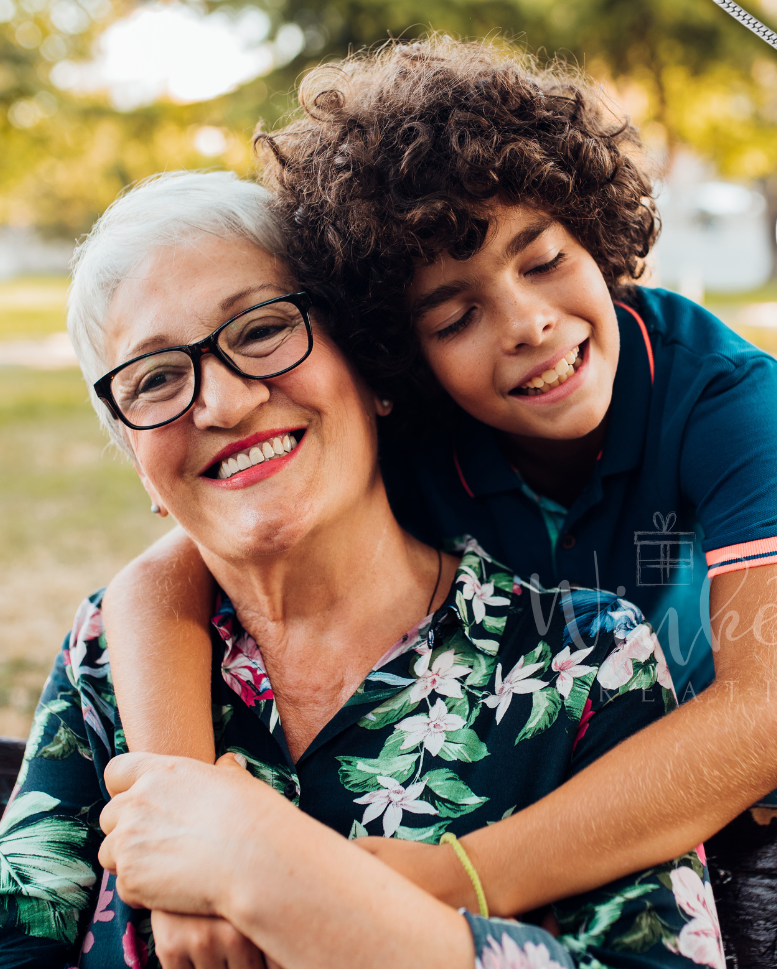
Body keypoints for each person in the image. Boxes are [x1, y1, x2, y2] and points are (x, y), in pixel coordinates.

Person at [104, 41, 777, 936]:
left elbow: (776, 711)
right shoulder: (410, 420)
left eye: (545, 257)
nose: (528, 324)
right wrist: (184, 815)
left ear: (595, 232)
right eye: (455, 315)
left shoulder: (717, 390)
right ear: (397, 352)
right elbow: (156, 578)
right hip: (494, 776)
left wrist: (459, 879)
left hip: (682, 785)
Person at [0, 171, 725, 969]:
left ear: (374, 369)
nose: (224, 404)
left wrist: (267, 867)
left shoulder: (582, 659)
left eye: (262, 329)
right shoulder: (109, 654)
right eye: (157, 380)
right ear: (140, 466)